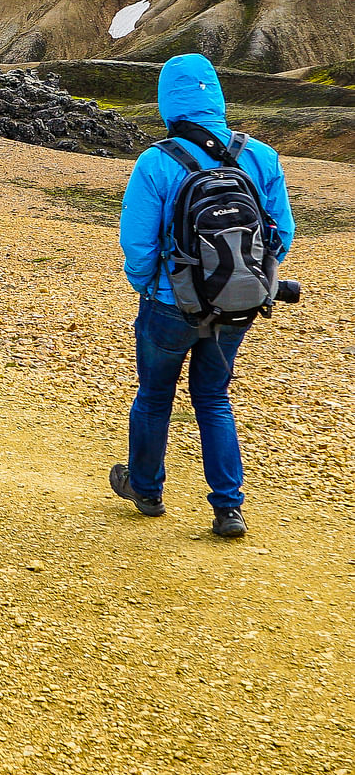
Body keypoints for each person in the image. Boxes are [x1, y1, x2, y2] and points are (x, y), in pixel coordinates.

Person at [112, 54, 294, 538]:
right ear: (215, 94)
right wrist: (252, 279)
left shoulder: (157, 161)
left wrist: (150, 286)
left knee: (154, 396)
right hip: (238, 304)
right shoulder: (261, 156)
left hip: (170, 306)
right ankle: (227, 509)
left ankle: (146, 490)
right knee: (213, 397)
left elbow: (138, 243)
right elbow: (282, 233)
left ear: (167, 101)